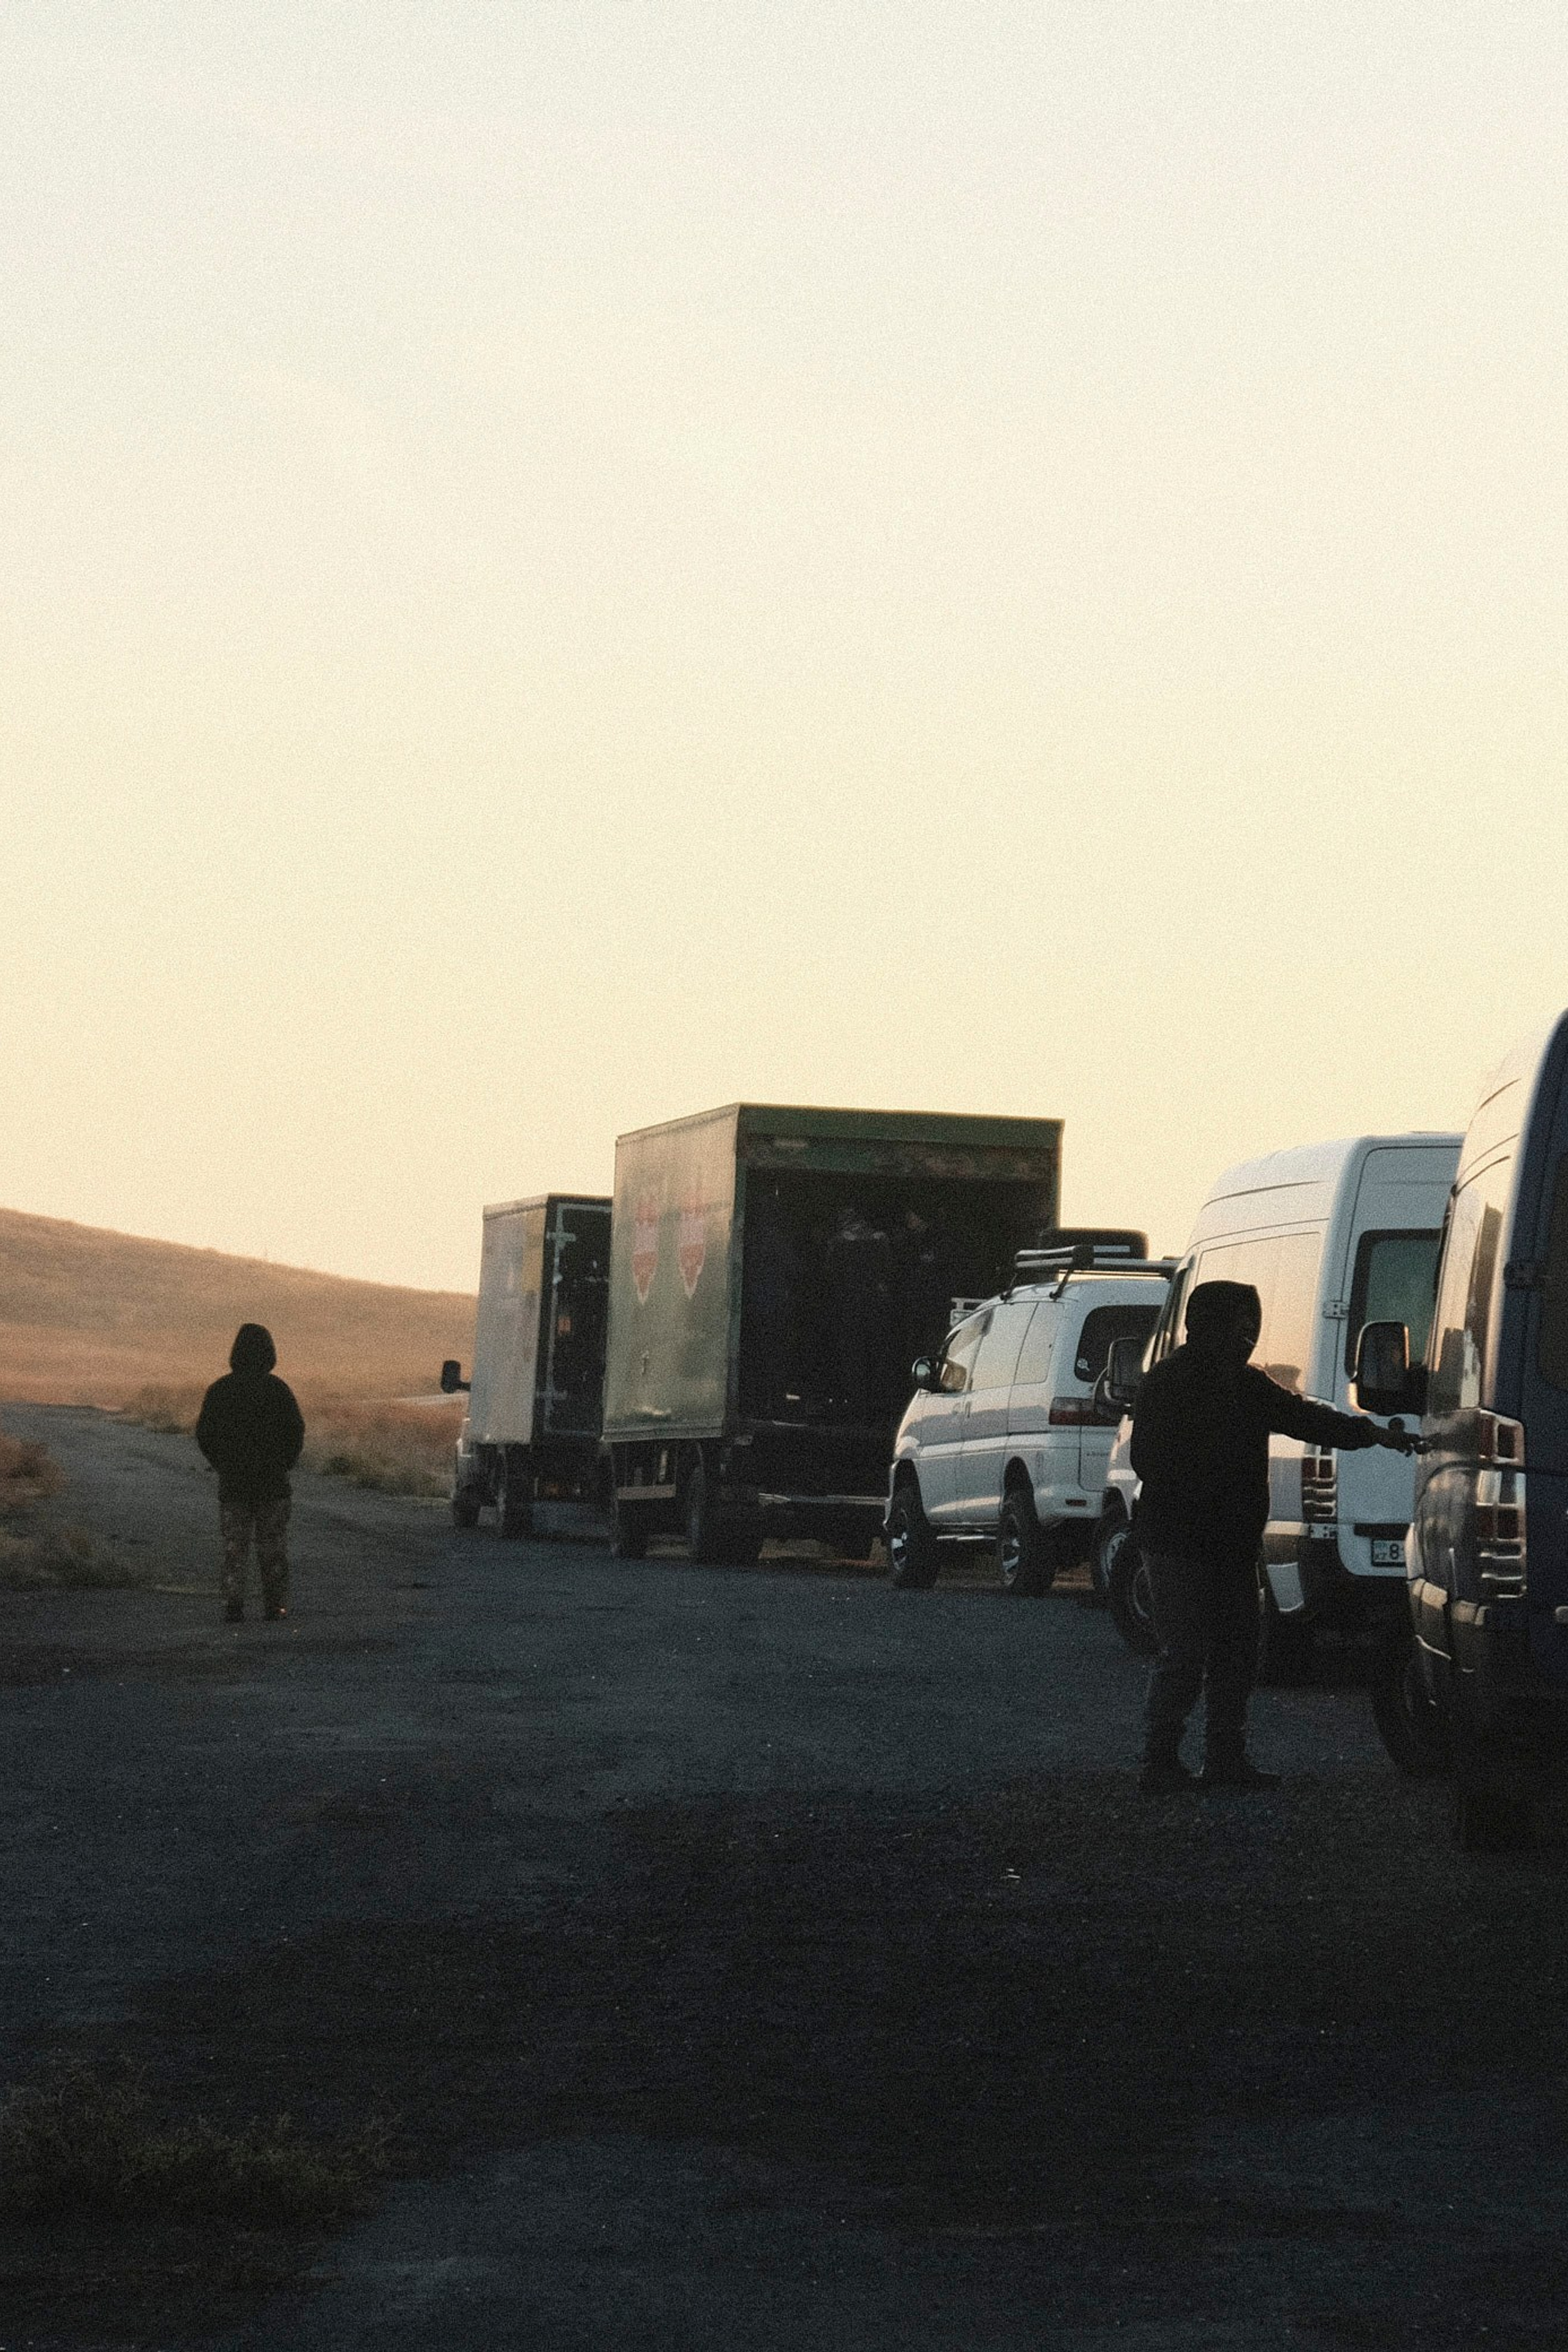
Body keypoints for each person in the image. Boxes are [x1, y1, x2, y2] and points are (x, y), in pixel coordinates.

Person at [1131, 1278, 1414, 1793]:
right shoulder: (1170, 1383)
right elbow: (1148, 1461)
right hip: (1178, 1542)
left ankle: (1222, 1757)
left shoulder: (1246, 1384)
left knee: (1236, 1653)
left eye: (1251, 1328)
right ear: (1208, 1326)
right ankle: (1160, 1760)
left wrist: (1371, 1434)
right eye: (1240, 1327)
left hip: (1229, 1543)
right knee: (1187, 1653)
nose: (1248, 1338)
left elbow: (1306, 1419)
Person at [195, 1324, 305, 1624]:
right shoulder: (278, 1390)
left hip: (234, 1484)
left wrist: (223, 1464)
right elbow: (296, 1432)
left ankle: (234, 1605)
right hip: (273, 1483)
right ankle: (275, 1605)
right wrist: (284, 1464)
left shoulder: (220, 1390)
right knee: (273, 1547)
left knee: (235, 1548)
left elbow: (205, 1434)